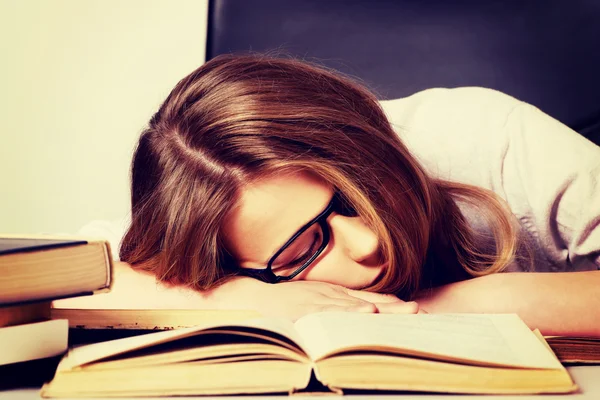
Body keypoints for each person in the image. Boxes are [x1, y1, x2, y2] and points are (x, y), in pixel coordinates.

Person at [73, 54, 600, 336]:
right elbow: (42, 285)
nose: (369, 241)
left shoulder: (489, 135)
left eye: (356, 192)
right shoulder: (209, 199)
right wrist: (237, 297)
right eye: (303, 249)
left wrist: (443, 305)